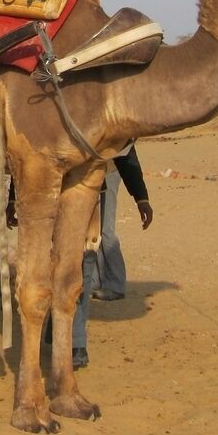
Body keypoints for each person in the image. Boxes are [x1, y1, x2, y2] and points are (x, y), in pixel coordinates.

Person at [71, 145, 153, 368]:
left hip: (107, 173)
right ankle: (97, 282)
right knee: (89, 242)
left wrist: (141, 197)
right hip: (78, 176)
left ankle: (115, 283)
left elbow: (127, 151)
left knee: (104, 232)